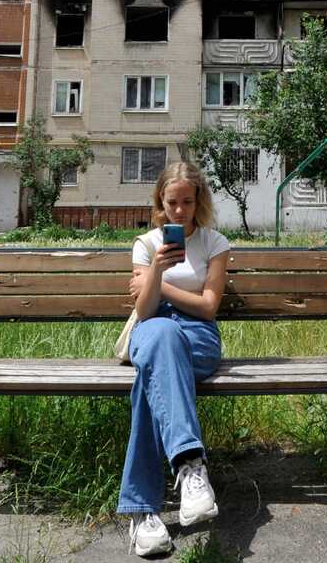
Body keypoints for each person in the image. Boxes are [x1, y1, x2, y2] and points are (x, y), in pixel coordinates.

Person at [120, 161, 232, 558]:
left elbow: (207, 308)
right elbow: (146, 312)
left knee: (151, 378)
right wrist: (156, 270)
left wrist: (161, 286)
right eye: (172, 202)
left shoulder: (214, 243)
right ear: (160, 202)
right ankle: (190, 468)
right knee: (162, 338)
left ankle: (141, 512)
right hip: (154, 330)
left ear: (198, 200)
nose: (180, 210)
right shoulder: (146, 245)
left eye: (187, 201)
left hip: (198, 339)